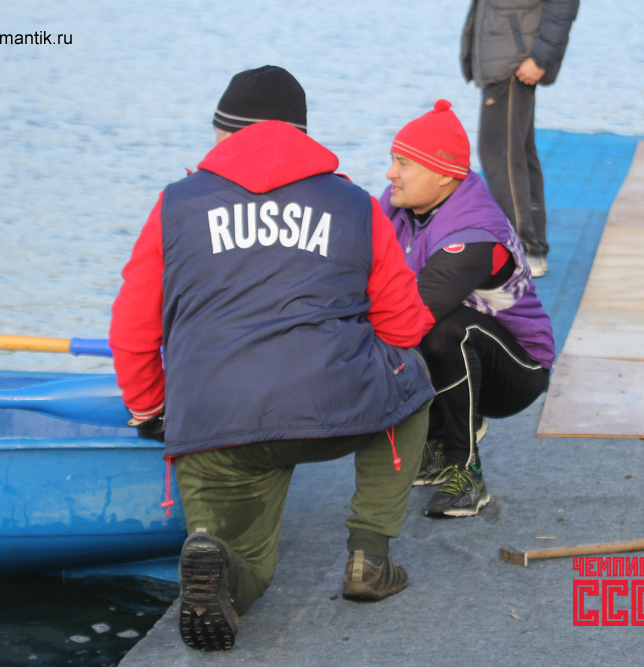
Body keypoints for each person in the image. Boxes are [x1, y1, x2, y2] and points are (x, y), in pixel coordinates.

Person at [109, 66, 435, 651]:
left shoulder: (174, 205)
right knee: (412, 379)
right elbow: (405, 327)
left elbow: (133, 329)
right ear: (302, 136)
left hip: (215, 416)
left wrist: (151, 408)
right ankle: (369, 555)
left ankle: (224, 572)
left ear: (225, 134)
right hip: (332, 406)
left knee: (247, 559)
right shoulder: (355, 205)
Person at [380, 99, 555, 518]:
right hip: (464, 347)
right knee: (414, 327)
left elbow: (411, 315)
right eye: (392, 160)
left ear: (444, 174)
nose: (390, 174)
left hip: (518, 369)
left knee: (437, 329)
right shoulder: (401, 201)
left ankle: (466, 470)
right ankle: (437, 443)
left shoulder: (474, 233)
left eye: (404, 164)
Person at [461, 0, 580, 277]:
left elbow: (563, 5)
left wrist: (541, 58)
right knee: (517, 154)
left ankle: (523, 249)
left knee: (500, 155)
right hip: (504, 57)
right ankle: (532, 248)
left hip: (513, 61)